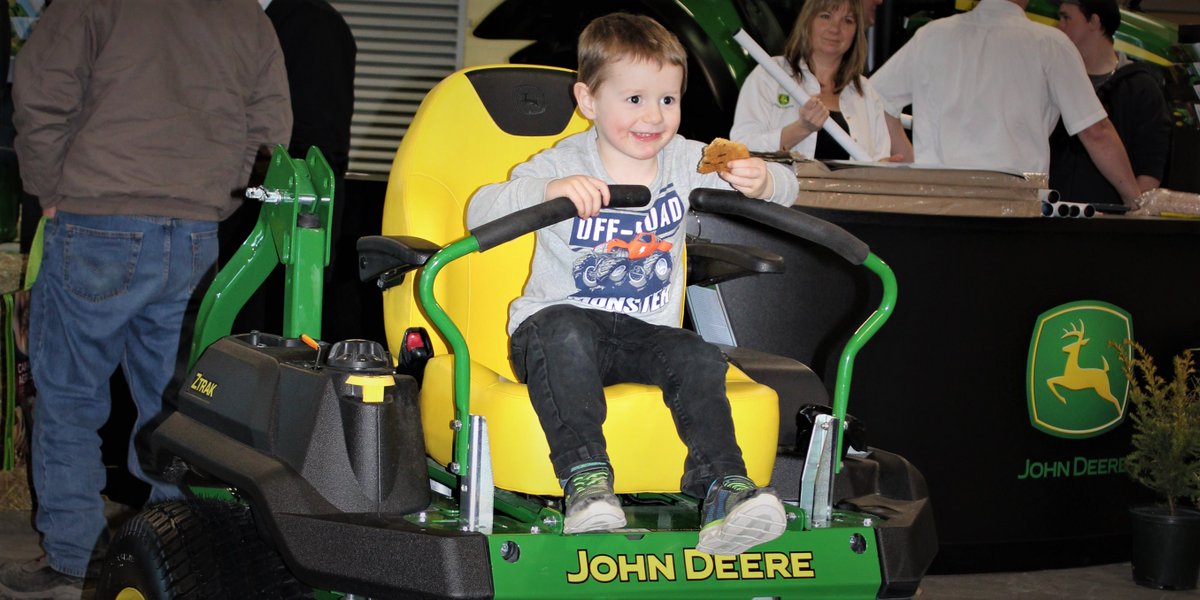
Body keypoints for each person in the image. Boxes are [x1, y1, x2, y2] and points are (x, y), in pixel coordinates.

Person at [466, 13, 798, 556]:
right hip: (557, 331)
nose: (654, 117)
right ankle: (588, 485)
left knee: (694, 353)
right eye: (635, 100)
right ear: (589, 101)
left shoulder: (685, 161)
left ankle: (724, 491)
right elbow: (481, 209)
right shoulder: (563, 161)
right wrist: (549, 189)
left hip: (643, 335)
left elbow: (787, 183)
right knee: (564, 330)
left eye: (668, 100)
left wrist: (763, 179)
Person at [0, 0, 291, 597]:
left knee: (70, 398)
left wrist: (50, 189)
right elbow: (269, 128)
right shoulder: (243, 14)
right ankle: (171, 560)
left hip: (96, 216)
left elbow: (40, 91)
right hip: (193, 233)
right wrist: (221, 196)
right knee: (181, 411)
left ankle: (72, 560)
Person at [869, 0, 1142, 207]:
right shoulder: (1050, 43)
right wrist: (1137, 202)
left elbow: (874, 98)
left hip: (938, 203)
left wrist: (913, 164)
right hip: (1015, 207)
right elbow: (1096, 132)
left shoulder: (931, 36)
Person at [221, 0, 356, 336]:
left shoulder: (312, 24)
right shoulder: (263, 20)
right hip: (271, 208)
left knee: (269, 343)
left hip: (292, 212)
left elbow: (318, 144)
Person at [730, 0, 909, 162]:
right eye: (825, 16)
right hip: (783, 198)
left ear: (856, 31)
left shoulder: (865, 92)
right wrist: (802, 128)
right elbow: (740, 150)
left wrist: (881, 171)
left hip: (848, 199)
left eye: (847, 20)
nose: (835, 28)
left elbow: (878, 159)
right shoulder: (768, 76)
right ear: (807, 22)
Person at [1049, 0, 1168, 204]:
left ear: (1094, 22)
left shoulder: (1141, 87)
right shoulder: (1054, 80)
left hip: (1110, 224)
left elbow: (1150, 166)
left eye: (1066, 18)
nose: (1058, 27)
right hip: (1053, 218)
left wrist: (1130, 215)